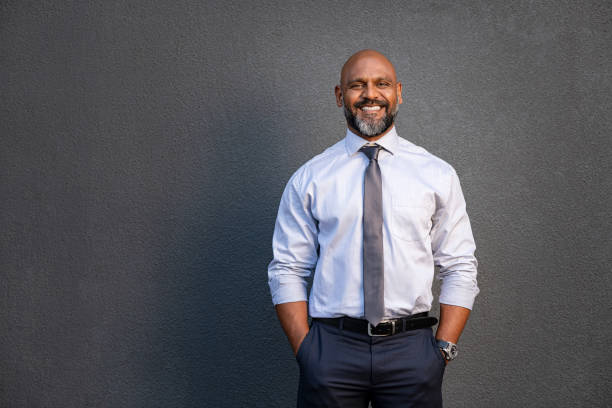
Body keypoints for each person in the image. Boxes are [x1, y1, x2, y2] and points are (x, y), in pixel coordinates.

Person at [267, 49, 479, 407]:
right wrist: (307, 351)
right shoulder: (310, 178)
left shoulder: (436, 174)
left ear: (398, 92)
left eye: (381, 84)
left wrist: (442, 349)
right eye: (357, 85)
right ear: (340, 95)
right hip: (331, 350)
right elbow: (286, 268)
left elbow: (460, 265)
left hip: (411, 351)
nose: (370, 95)